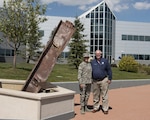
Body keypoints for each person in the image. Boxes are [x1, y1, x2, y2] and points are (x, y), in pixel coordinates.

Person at [91, 50, 112, 114]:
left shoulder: (105, 61)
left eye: (99, 54)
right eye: (96, 54)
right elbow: (90, 71)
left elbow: (109, 70)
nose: (97, 55)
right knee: (95, 95)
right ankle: (95, 107)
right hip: (95, 81)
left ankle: (105, 109)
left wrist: (110, 78)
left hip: (104, 80)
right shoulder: (92, 62)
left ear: (101, 54)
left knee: (104, 95)